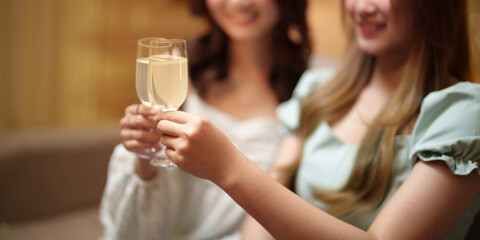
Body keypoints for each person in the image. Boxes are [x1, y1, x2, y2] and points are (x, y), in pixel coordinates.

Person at [154, 0, 480, 239]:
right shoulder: (319, 92)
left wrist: (227, 167)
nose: (363, 7)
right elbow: (259, 229)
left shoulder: (462, 113)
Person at [100, 0, 311, 239]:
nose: (238, 2)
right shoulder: (182, 69)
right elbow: (137, 230)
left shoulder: (311, 88)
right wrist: (145, 155)